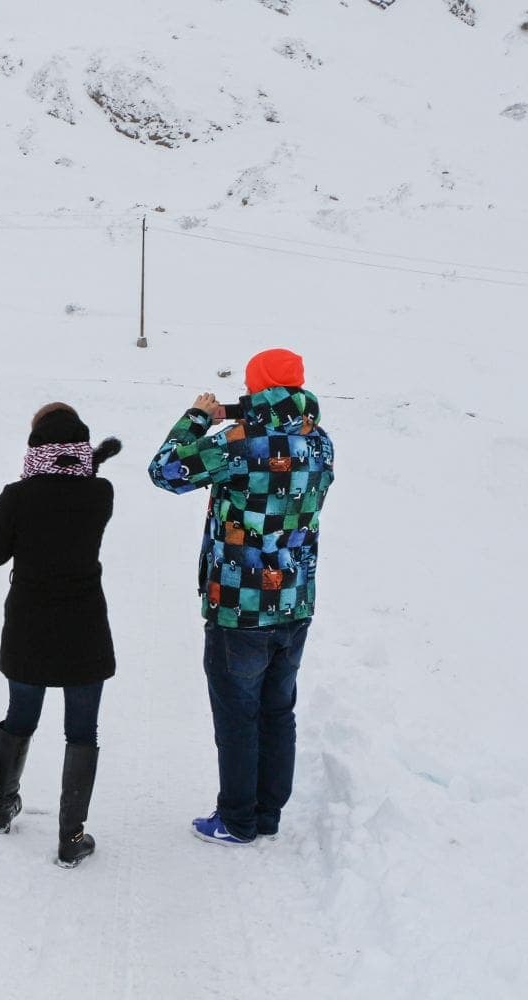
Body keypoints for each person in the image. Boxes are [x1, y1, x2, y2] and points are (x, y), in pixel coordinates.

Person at [146, 348, 335, 846]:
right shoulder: (320, 443)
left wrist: (197, 419)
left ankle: (236, 819)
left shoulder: (238, 441)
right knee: (278, 711)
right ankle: (267, 814)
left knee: (238, 716)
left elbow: (164, 471)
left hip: (239, 604)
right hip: (295, 601)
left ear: (255, 387)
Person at [0, 404, 122, 868]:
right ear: (80, 447)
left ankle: (3, 807)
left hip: (29, 625)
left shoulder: (18, 496)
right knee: (82, 731)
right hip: (84, 627)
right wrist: (92, 463)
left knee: (20, 716)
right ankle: (71, 837)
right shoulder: (100, 492)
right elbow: (74, 494)